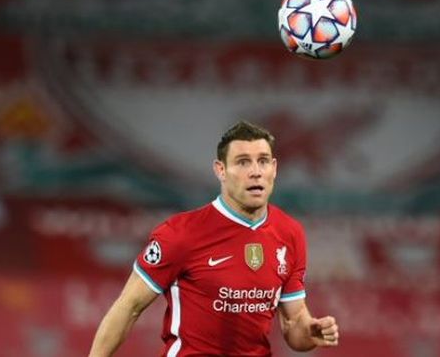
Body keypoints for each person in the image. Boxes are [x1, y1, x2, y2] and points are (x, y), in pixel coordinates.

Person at [89, 121, 339, 356]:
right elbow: (129, 306)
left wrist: (309, 332)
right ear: (221, 170)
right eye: (242, 162)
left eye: (263, 161)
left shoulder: (289, 233)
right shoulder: (181, 233)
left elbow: (294, 322)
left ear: (274, 168)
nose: (255, 172)